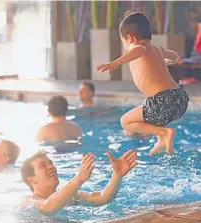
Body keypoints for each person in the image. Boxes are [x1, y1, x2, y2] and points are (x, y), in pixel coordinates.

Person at [97, 12, 189, 156]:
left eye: (124, 42)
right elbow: (170, 53)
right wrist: (176, 59)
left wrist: (116, 62)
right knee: (148, 106)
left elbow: (139, 50)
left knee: (125, 122)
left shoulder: (138, 48)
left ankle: (164, 132)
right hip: (180, 100)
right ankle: (161, 138)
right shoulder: (157, 49)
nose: (125, 46)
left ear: (130, 38)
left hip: (164, 101)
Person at [20, 149, 137, 214]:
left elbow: (103, 198)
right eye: (42, 166)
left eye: (50, 163)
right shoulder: (29, 202)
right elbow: (49, 207)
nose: (51, 167)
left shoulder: (72, 196)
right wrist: (79, 178)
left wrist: (117, 175)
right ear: (31, 179)